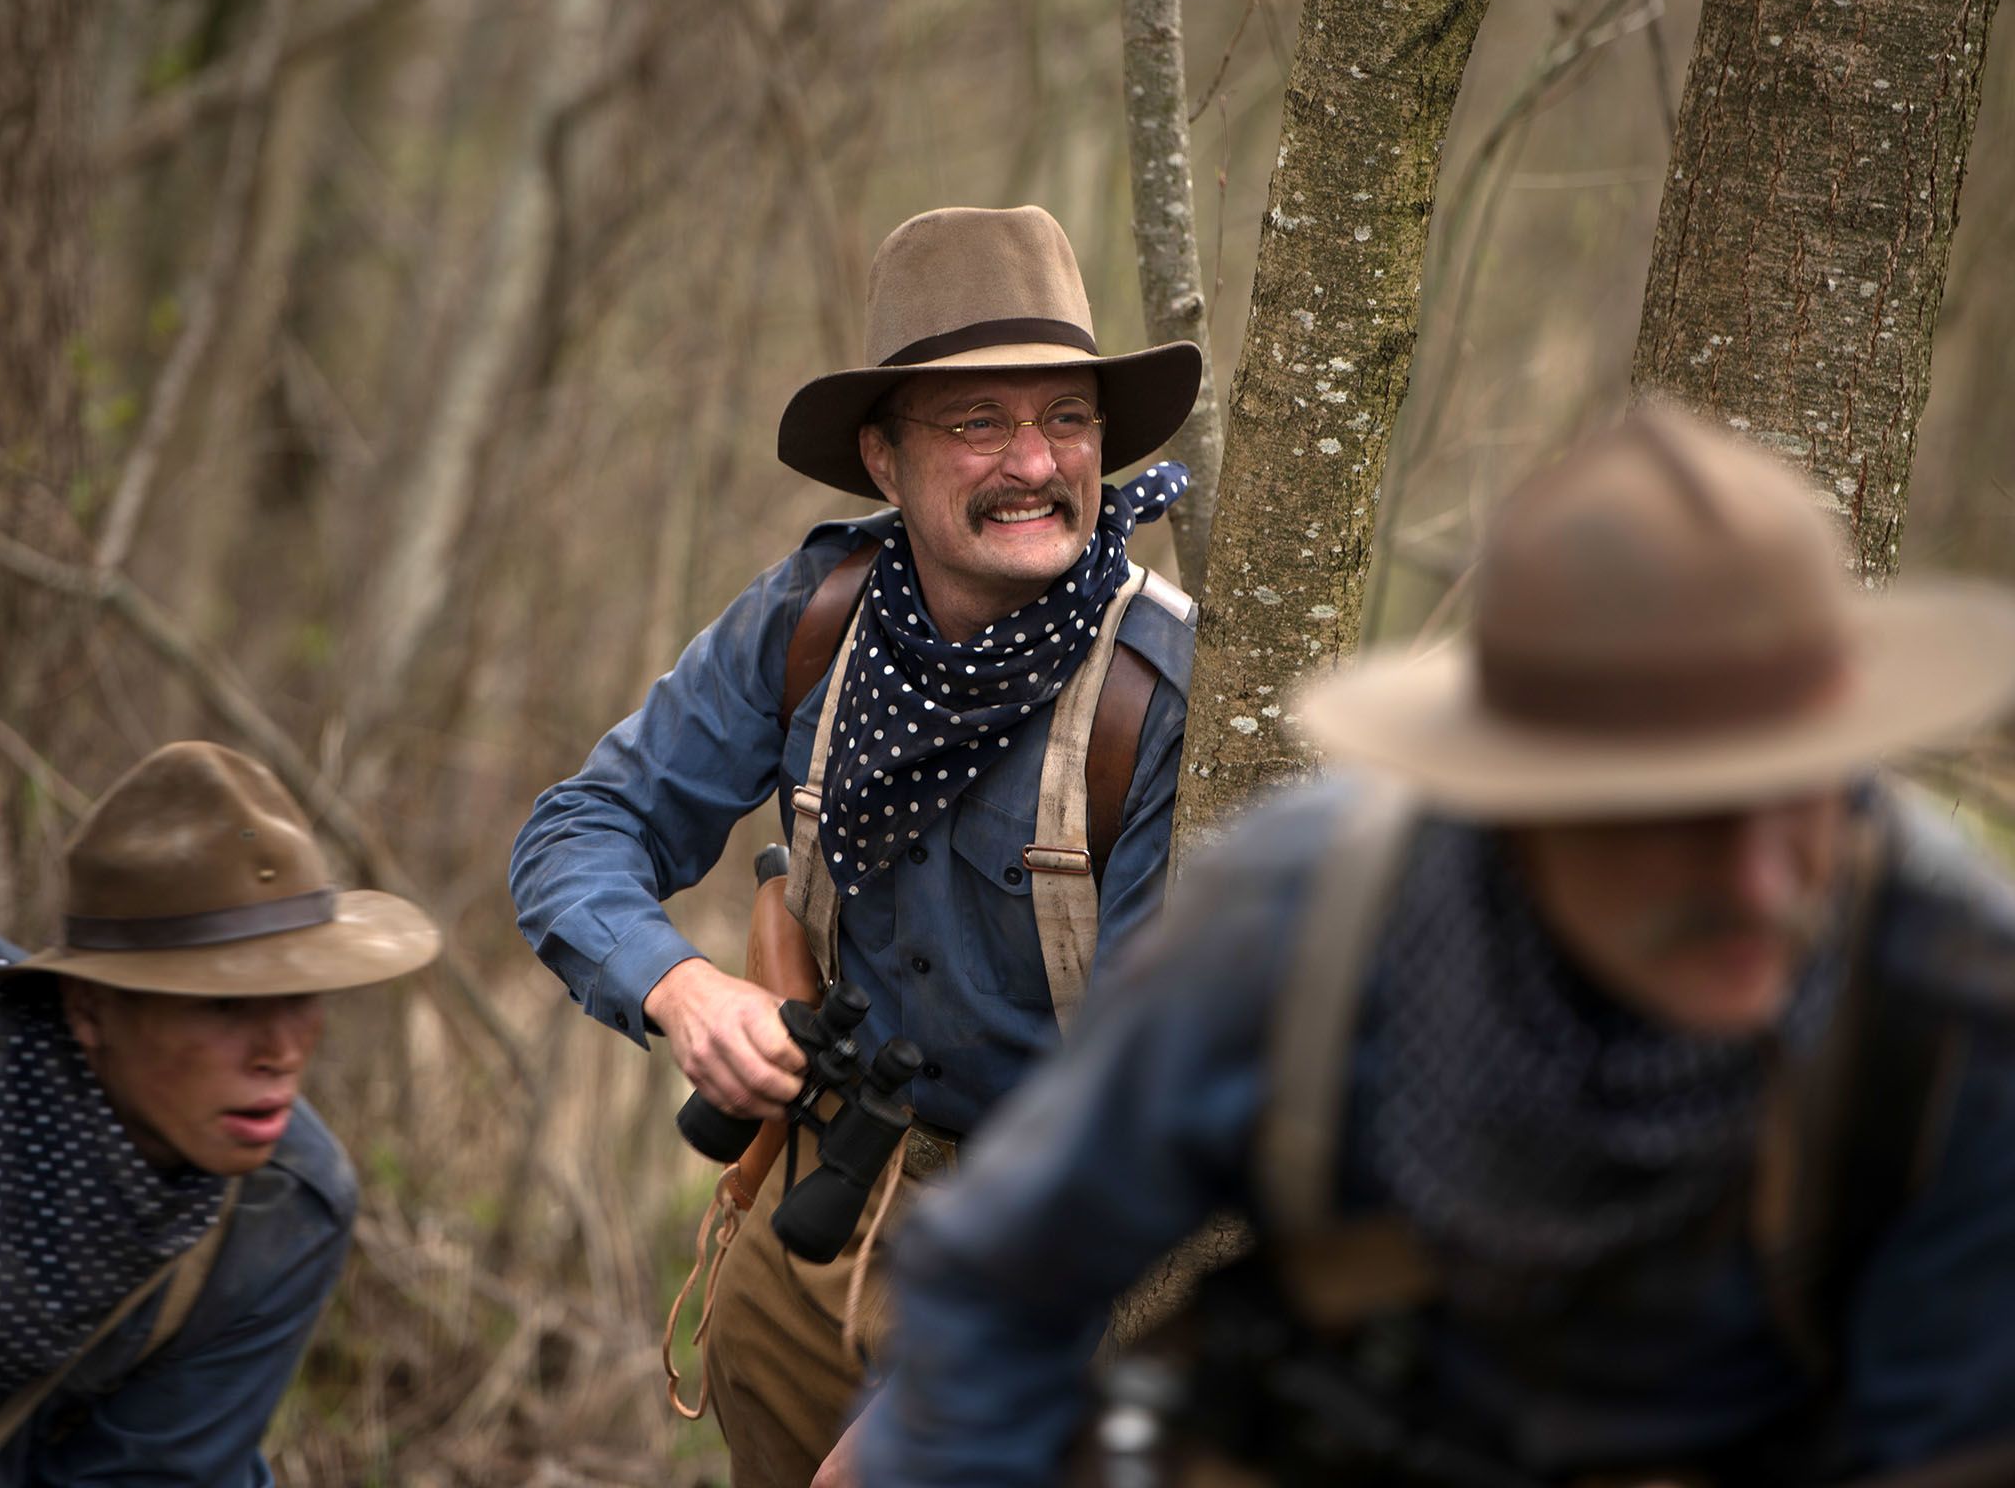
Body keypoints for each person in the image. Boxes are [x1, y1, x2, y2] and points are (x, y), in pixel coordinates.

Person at [859, 410, 2015, 1488]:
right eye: (1680, 819)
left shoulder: (1943, 1003)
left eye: (1802, 795)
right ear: (1515, 804)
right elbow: (1002, 1289)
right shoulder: (1307, 929)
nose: (1761, 884)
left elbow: (1948, 1440)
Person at [509, 204, 1205, 1483]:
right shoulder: (815, 621)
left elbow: (1148, 1114)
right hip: (827, 1196)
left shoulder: (1155, 700)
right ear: (882, 461)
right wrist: (681, 990)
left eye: (1064, 418)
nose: (1034, 465)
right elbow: (578, 831)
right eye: (976, 422)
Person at [0, 741, 440, 1484]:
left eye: (301, 998)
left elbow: (158, 1472)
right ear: (89, 1008)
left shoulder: (288, 1206)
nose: (281, 1050)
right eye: (226, 1004)